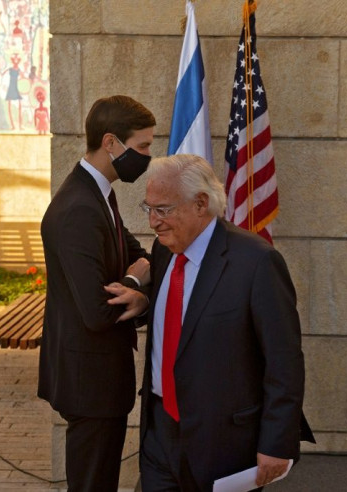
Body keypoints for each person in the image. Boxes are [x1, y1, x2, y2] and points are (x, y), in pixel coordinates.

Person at [106, 153, 315, 491]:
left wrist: (277, 442)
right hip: (160, 433)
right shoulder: (163, 251)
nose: (153, 222)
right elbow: (181, 317)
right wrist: (144, 303)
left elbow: (284, 361)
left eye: (163, 209)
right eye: (149, 209)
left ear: (200, 204)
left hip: (224, 443)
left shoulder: (256, 262)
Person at [37, 95, 155, 491]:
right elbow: (98, 311)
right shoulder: (79, 208)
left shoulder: (99, 193)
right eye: (142, 146)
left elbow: (139, 256)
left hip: (100, 378)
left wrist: (138, 288)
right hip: (90, 382)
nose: (147, 156)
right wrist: (136, 283)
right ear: (110, 143)